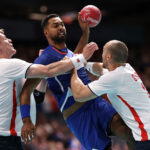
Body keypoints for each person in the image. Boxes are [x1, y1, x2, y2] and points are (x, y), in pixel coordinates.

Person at [20, 14, 135, 150]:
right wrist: (26, 120)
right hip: (78, 115)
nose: (61, 27)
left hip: (96, 103)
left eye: (62, 24)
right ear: (46, 32)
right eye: (55, 25)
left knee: (129, 133)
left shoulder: (70, 54)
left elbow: (78, 53)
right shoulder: (45, 58)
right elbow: (26, 91)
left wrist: (86, 31)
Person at [0, 28, 95, 150]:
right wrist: (81, 57)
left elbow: (36, 97)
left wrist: (44, 65)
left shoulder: (11, 71)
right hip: (4, 139)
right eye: (4, 39)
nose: (10, 39)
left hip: (10, 138)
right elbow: (49, 71)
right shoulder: (7, 65)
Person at [71, 40, 150, 150]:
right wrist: (83, 63)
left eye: (103, 52)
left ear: (108, 57)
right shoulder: (126, 69)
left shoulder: (114, 78)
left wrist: (73, 67)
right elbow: (100, 69)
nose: (101, 55)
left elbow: (79, 95)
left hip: (146, 137)